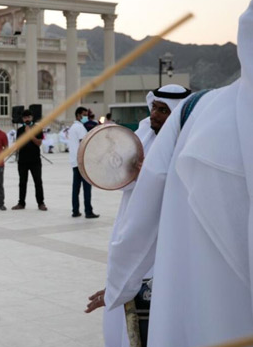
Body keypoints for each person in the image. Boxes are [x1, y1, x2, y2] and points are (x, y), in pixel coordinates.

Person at [105, 0, 253, 346]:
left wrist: (120, 284)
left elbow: (142, 220)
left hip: (212, 311)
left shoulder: (197, 114)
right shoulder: (188, 114)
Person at [84, 84, 190, 347]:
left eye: (163, 110)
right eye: (154, 107)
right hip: (132, 237)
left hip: (165, 247)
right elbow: (121, 177)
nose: (154, 114)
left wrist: (150, 178)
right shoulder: (143, 136)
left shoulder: (188, 145)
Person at [13, 109, 47, 211]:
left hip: (35, 160)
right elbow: (18, 144)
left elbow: (39, 143)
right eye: (25, 117)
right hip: (22, 160)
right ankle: (21, 203)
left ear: (32, 117)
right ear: (23, 119)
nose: (27, 119)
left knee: (38, 182)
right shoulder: (19, 130)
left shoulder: (38, 128)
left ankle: (41, 203)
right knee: (22, 182)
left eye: (28, 117)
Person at [68, 106, 97, 218]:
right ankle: (88, 211)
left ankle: (75, 210)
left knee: (76, 188)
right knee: (86, 187)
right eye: (84, 115)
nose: (86, 117)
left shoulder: (72, 127)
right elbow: (83, 143)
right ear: (78, 115)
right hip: (82, 161)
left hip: (74, 161)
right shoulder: (80, 128)